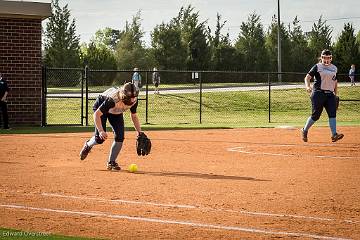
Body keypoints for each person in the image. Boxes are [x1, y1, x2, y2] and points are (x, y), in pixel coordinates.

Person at [79, 82, 145, 170]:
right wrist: (101, 131)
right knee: (99, 139)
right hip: (101, 107)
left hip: (116, 112)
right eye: (130, 98)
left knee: (120, 137)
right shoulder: (112, 100)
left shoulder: (134, 100)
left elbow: (134, 115)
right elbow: (96, 114)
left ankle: (111, 162)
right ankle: (88, 145)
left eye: (134, 97)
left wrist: (139, 132)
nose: (133, 100)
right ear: (124, 96)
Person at [301, 49, 344, 143]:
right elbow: (307, 77)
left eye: (328, 58)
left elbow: (335, 82)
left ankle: (334, 134)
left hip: (330, 95)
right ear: (321, 58)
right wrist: (308, 86)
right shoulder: (317, 66)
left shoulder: (334, 68)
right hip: (318, 93)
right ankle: (304, 130)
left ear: (331, 58)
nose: (326, 60)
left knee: (332, 114)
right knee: (316, 116)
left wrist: (335, 95)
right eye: (324, 58)